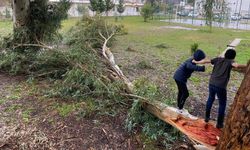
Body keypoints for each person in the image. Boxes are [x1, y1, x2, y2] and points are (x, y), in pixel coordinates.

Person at [192, 49, 246, 128]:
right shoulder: (230, 62)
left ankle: (206, 118)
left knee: (210, 98)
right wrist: (247, 65)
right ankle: (219, 124)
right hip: (221, 86)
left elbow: (206, 61)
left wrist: (196, 62)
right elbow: (237, 66)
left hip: (212, 82)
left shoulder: (218, 59)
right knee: (222, 103)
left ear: (225, 54)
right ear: (233, 57)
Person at [173, 49, 206, 114]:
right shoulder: (190, 62)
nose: (201, 60)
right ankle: (180, 109)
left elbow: (192, 66)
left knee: (181, 92)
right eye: (201, 59)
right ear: (198, 58)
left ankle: (179, 107)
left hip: (178, 77)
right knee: (185, 94)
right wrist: (202, 68)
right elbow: (189, 66)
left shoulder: (193, 60)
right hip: (180, 78)